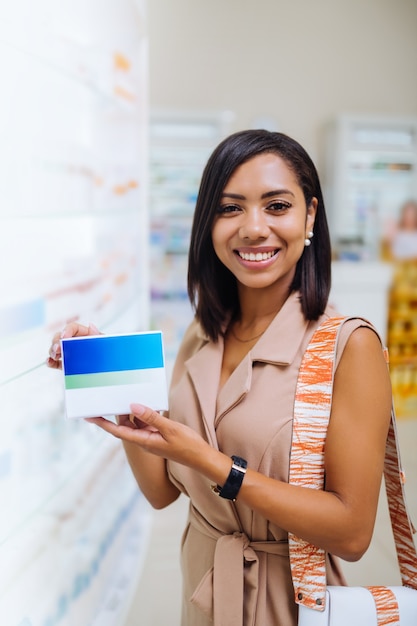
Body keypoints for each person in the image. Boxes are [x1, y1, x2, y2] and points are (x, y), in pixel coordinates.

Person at [47, 130, 392, 626]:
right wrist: (114, 381)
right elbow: (163, 491)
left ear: (310, 216)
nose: (254, 228)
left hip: (289, 603)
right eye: (231, 208)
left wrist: (214, 465)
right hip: (204, 591)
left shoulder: (348, 347)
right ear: (208, 222)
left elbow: (353, 533)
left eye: (277, 206)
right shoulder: (202, 335)